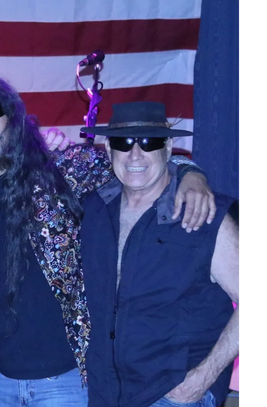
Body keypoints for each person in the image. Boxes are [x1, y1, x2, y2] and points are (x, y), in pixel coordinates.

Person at [0, 71, 215, 406]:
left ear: (10, 115)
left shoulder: (61, 170)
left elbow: (137, 163)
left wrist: (188, 171)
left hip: (65, 381)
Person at [80, 102, 241, 407]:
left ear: (167, 148)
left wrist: (204, 376)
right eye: (124, 142)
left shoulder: (206, 215)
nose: (135, 154)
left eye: (149, 141)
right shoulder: (93, 209)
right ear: (109, 148)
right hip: (104, 392)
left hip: (173, 394)